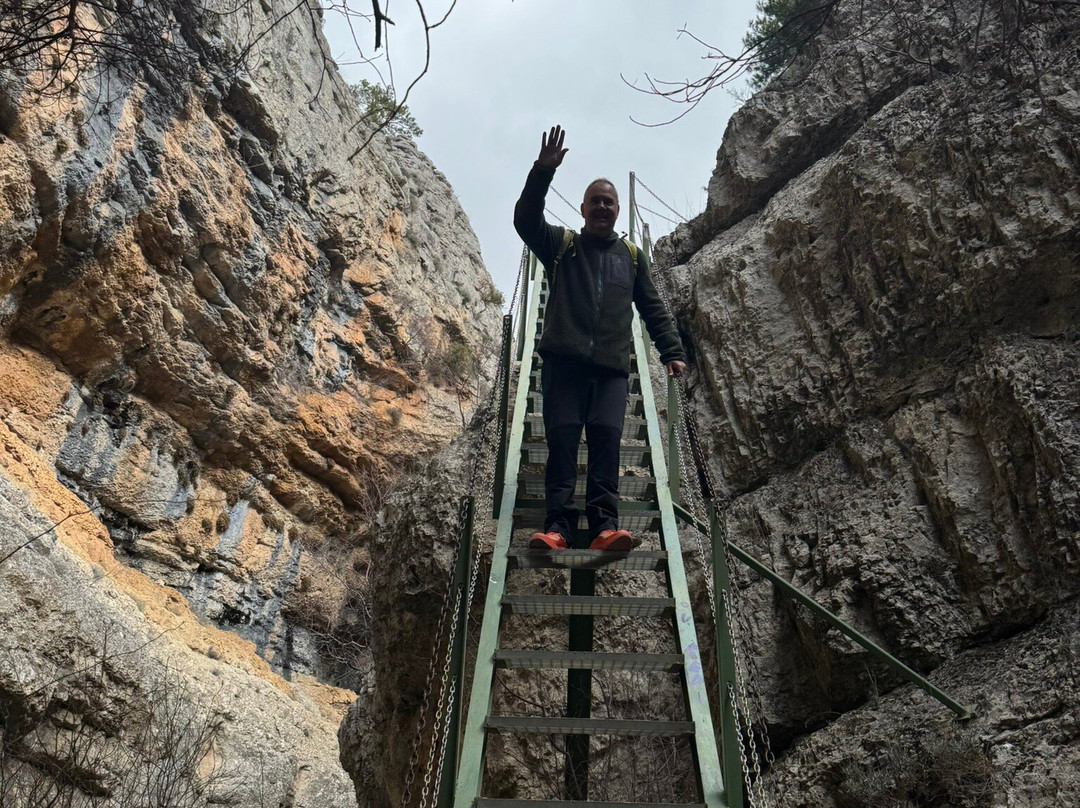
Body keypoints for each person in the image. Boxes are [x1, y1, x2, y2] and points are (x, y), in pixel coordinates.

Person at [514, 125, 687, 552]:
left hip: (611, 369)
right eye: (596, 201)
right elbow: (524, 220)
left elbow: (651, 306)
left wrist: (672, 350)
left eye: (610, 202)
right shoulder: (561, 245)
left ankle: (604, 528)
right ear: (583, 208)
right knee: (563, 444)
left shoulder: (630, 257)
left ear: (616, 211)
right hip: (564, 366)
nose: (603, 207)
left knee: (607, 444)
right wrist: (542, 172)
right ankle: (557, 528)